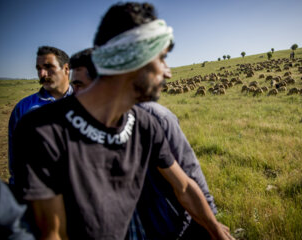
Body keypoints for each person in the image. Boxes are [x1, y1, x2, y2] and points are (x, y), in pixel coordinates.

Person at [13, 2, 234, 240]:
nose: (168, 72)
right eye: (161, 58)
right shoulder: (44, 130)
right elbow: (53, 233)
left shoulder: (145, 124)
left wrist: (215, 230)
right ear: (133, 60)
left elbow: (184, 188)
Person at [69, 48, 222, 239]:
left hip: (165, 228)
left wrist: (212, 226)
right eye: (73, 85)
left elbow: (187, 181)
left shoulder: (152, 120)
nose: (74, 93)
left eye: (80, 85)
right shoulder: (74, 130)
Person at [8, 46, 73, 185]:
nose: (43, 74)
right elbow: (16, 158)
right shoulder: (24, 108)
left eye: (49, 67)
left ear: (66, 69)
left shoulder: (86, 103)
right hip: (39, 192)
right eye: (39, 68)